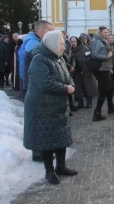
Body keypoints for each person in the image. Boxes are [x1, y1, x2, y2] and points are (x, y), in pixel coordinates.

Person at [23, 31, 77, 184]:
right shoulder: (39, 60)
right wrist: (66, 89)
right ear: (53, 45)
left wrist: (71, 84)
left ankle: (61, 166)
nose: (63, 47)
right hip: (43, 107)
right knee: (46, 139)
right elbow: (45, 83)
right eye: (61, 44)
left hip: (57, 107)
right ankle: (49, 171)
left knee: (60, 137)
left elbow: (68, 76)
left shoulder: (57, 58)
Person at [91, 26, 114, 122]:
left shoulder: (104, 40)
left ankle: (111, 108)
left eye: (107, 32)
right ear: (100, 33)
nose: (106, 34)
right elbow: (94, 54)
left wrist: (109, 68)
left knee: (110, 88)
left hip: (106, 69)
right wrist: (106, 56)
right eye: (104, 32)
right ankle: (97, 113)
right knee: (103, 91)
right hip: (100, 70)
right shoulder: (97, 41)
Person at [18, 20, 52, 101]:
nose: (51, 32)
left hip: (31, 81)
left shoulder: (34, 41)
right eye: (49, 30)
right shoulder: (33, 43)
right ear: (41, 31)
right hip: (31, 83)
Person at [70, 36, 98, 109]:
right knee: (78, 88)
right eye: (72, 42)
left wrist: (85, 68)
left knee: (88, 87)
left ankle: (89, 102)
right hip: (76, 72)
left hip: (86, 71)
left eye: (74, 41)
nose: (73, 43)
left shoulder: (84, 48)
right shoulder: (70, 50)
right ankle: (80, 103)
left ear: (77, 41)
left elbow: (89, 59)